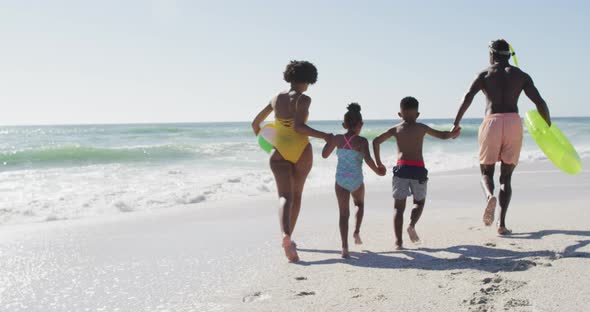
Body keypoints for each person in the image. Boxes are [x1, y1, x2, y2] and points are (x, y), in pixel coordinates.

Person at [451, 39, 551, 235]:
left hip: (492, 122)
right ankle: (501, 224)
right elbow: (540, 102)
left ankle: (489, 196)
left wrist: (456, 123)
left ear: (492, 54)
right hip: (513, 122)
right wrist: (548, 126)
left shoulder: (485, 74)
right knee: (506, 177)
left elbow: (468, 97)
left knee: (486, 172)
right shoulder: (521, 75)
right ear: (508, 55)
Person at [251, 60, 332, 262]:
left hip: (278, 151)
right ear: (308, 80)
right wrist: (325, 135)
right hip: (300, 150)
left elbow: (255, 124)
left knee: (284, 197)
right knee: (296, 195)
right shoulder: (304, 100)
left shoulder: (275, 98)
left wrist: (267, 142)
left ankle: (286, 236)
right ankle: (289, 239)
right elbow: (299, 127)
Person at [373, 97, 460, 250]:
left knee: (398, 208)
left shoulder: (396, 129)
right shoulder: (422, 128)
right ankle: (412, 225)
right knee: (419, 202)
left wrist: (379, 163)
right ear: (418, 114)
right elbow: (443, 135)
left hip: (401, 170)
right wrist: (454, 134)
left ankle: (398, 242)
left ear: (400, 114)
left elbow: (375, 141)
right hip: (418, 170)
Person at [321, 103, 386, 258]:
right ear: (361, 124)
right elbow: (368, 160)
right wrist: (379, 171)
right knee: (359, 204)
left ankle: (344, 247)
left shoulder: (337, 139)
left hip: (341, 180)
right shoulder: (362, 141)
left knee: (343, 214)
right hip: (356, 180)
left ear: (344, 125)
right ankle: (356, 232)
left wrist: (329, 140)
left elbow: (324, 155)